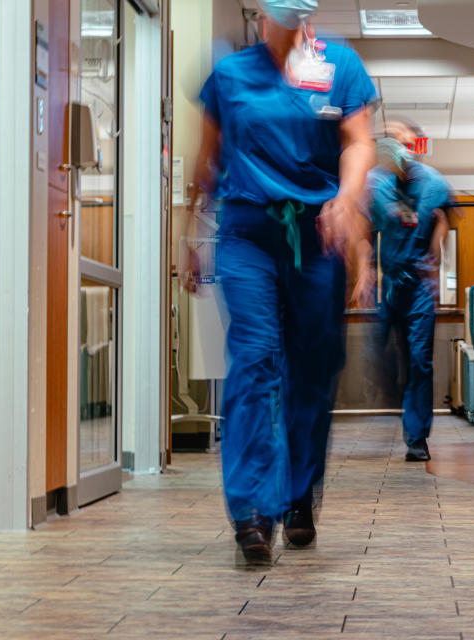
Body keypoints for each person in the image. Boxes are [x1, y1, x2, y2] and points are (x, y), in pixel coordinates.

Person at [182, 0, 377, 564]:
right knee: (256, 358)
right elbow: (208, 161)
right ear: (261, 14)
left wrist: (345, 199)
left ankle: (297, 497)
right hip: (247, 233)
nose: (295, 29)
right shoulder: (231, 74)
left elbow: (359, 142)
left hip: (318, 238)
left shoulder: (339, 65)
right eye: (283, 18)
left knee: (312, 370)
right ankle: (251, 509)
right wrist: (187, 233)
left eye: (302, 19)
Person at [366, 119, 453, 462]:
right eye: (387, 136)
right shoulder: (375, 185)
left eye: (399, 136)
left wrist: (437, 242)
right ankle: (391, 390)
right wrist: (364, 271)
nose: (393, 141)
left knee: (419, 360)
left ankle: (417, 438)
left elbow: (444, 217)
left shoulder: (433, 182)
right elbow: (362, 227)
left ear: (414, 143)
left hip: (420, 285)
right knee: (380, 355)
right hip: (390, 286)